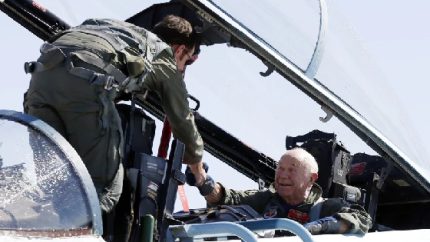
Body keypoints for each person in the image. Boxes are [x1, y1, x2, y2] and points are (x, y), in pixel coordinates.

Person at [23, 15, 207, 214]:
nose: (182, 69)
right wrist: (199, 172)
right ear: (179, 50)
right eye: (186, 62)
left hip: (40, 80)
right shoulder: (163, 55)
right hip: (86, 87)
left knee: (53, 181)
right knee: (103, 191)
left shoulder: (111, 27)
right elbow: (183, 121)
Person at [186, 148, 372, 235]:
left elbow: (362, 219)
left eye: (292, 170)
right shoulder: (266, 199)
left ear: (311, 178)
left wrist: (320, 227)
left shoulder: (325, 207)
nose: (283, 175)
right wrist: (204, 182)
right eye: (280, 169)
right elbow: (227, 199)